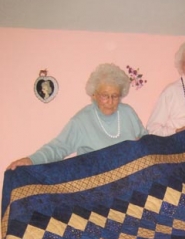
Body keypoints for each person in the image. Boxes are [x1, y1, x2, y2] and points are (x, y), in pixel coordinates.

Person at [7, 63, 147, 170]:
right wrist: (31, 160)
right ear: (94, 95)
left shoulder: (128, 113)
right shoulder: (82, 121)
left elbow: (148, 142)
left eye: (115, 96)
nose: (110, 101)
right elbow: (59, 147)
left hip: (128, 184)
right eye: (105, 96)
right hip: (96, 188)